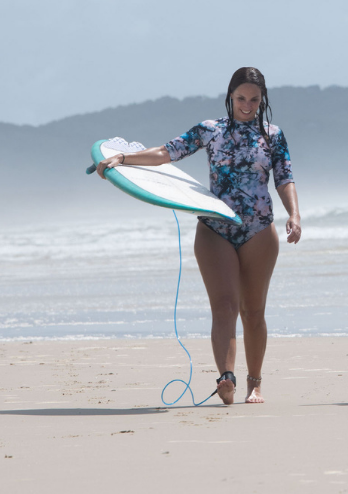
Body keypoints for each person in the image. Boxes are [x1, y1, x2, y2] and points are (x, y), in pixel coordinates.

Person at [96, 67, 301, 404]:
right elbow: (166, 152)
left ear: (262, 100)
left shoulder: (273, 135)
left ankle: (255, 383)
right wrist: (121, 158)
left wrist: (294, 214)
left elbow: (284, 177)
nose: (247, 105)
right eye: (240, 98)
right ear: (230, 97)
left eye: (254, 99)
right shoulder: (211, 130)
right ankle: (226, 378)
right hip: (214, 227)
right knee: (223, 307)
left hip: (259, 229)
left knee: (253, 312)